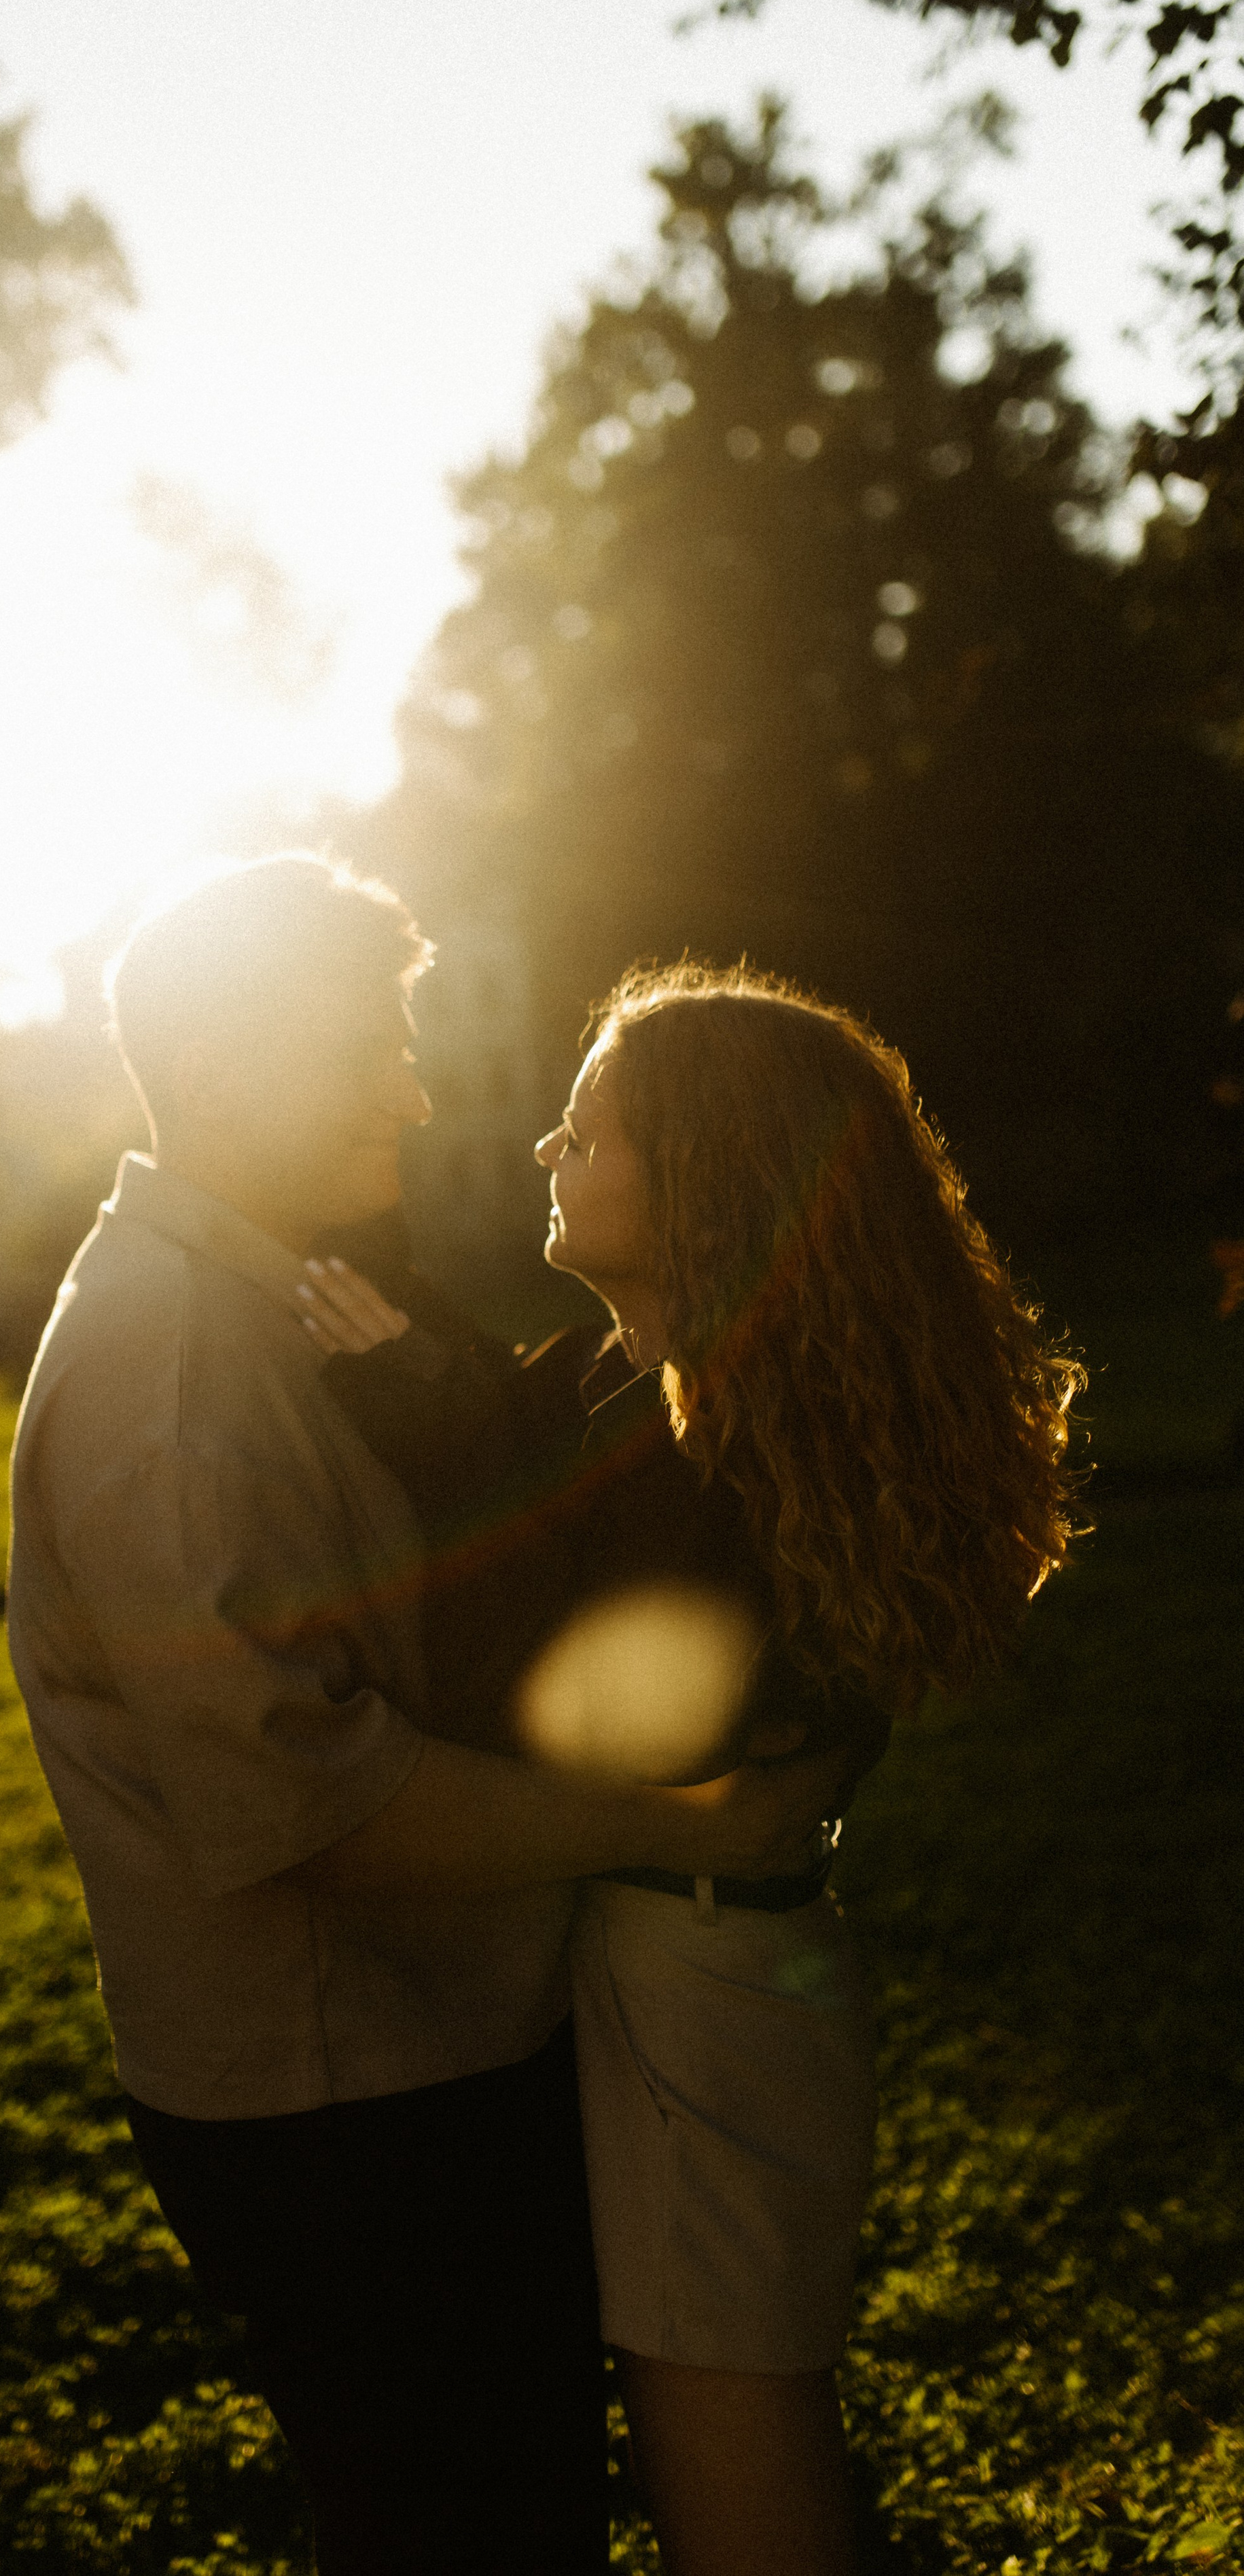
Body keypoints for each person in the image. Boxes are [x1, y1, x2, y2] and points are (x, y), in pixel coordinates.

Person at [5, 860, 865, 2575]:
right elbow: (314, 1810)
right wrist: (680, 1826)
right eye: (367, 1045)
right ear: (234, 1054)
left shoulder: (279, 1311)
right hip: (348, 2120)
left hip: (430, 2069)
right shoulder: (172, 1371)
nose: (412, 1090)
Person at [295, 958, 1084, 2576]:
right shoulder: (668, 1403)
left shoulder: (714, 1463)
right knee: (711, 2424)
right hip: (686, 1953)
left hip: (709, 1985)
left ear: (708, 1179)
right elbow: (531, 1454)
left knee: (726, 2453)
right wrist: (418, 1376)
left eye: (585, 1132)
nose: (543, 1153)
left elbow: (517, 1656)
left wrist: (398, 1400)